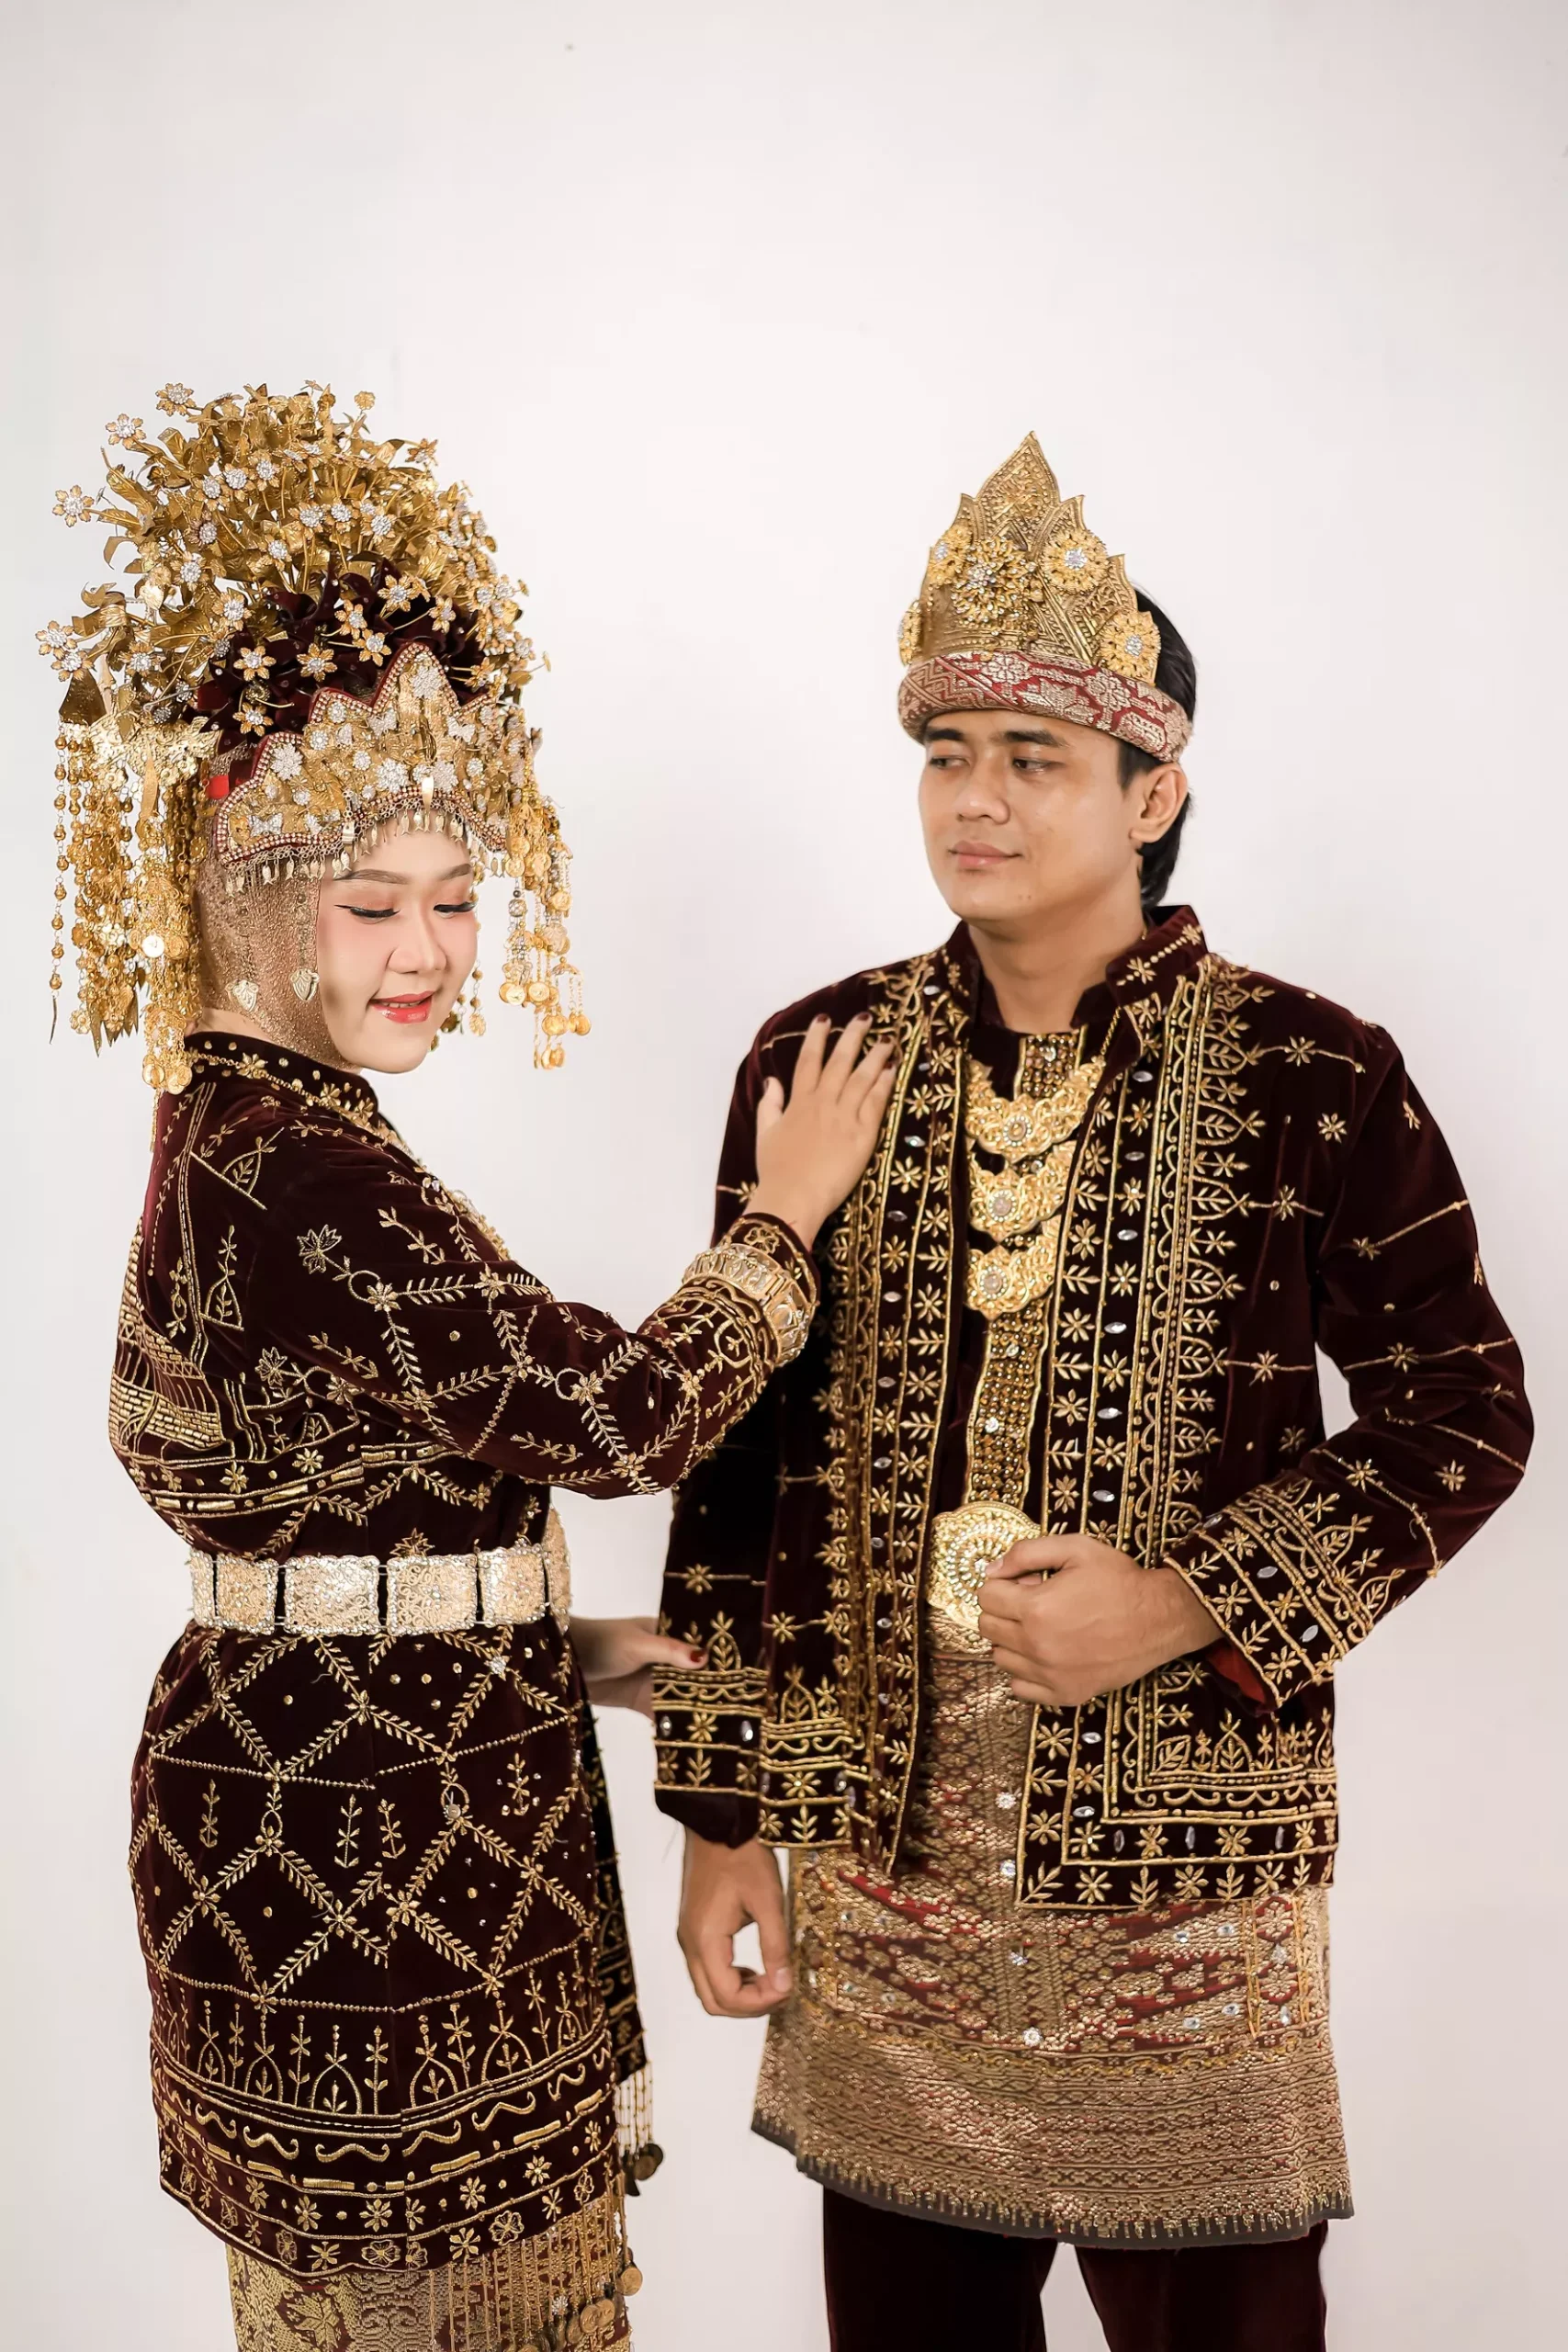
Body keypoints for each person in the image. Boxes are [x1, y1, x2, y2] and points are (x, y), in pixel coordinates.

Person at [651, 435, 1532, 2351]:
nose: (972, 799)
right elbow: (735, 1463)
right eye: (943, 752)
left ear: (1155, 790)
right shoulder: (819, 1059)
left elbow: (1464, 1409)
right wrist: (723, 1814)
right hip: (882, 1877)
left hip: (1180, 1894)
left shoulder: (1312, 1073)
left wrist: (1198, 1597)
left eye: (1031, 758)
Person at [41, 380, 894, 2352]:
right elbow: (617, 1413)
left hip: (333, 1764)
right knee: (450, 2317)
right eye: (372, 905)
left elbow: (311, 1492)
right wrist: (785, 1216)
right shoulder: (303, 1168)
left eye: (453, 898)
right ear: (239, 882)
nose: (427, 950)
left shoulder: (229, 1128)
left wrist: (538, 1635)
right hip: (373, 1835)